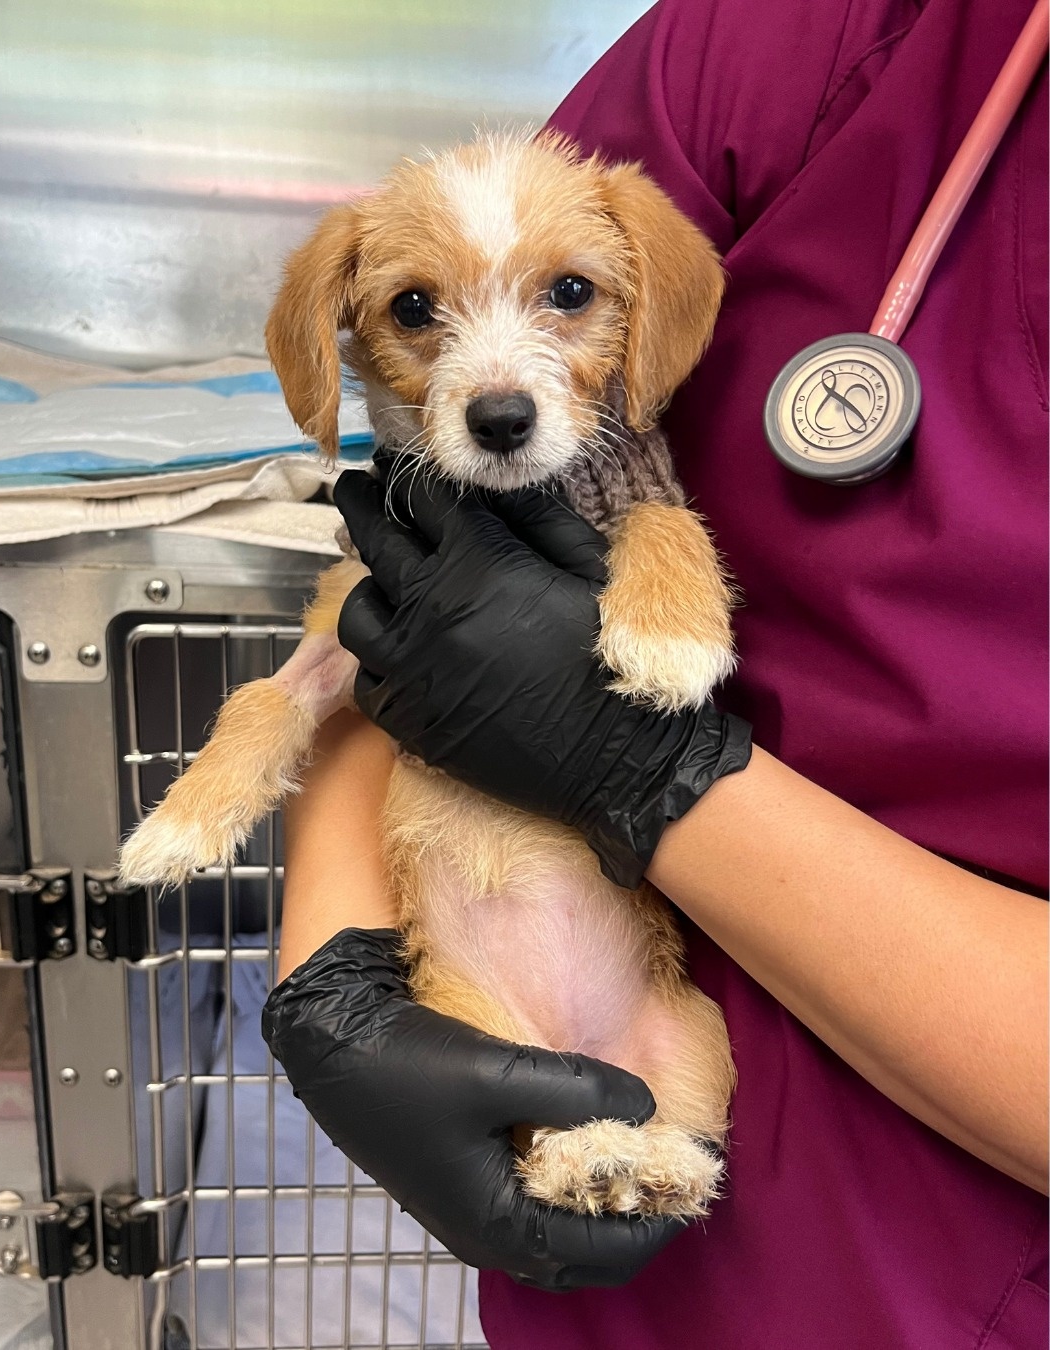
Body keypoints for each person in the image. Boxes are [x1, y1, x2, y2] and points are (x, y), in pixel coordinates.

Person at [262, 0, 1049, 1344]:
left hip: (945, 1276)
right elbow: (444, 498)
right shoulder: (851, 33)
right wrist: (336, 952)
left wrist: (664, 778)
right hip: (573, 1181)